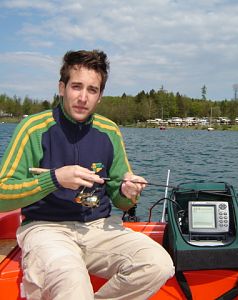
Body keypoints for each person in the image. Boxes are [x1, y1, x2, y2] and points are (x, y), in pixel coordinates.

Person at [0, 50, 174, 300]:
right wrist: (55, 179)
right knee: (73, 285)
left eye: (92, 90)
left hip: (99, 228)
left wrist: (129, 192)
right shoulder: (33, 128)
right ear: (62, 88)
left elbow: (121, 200)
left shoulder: (109, 131)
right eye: (76, 87)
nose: (83, 97)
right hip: (46, 229)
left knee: (158, 264)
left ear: (100, 96)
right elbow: (2, 193)